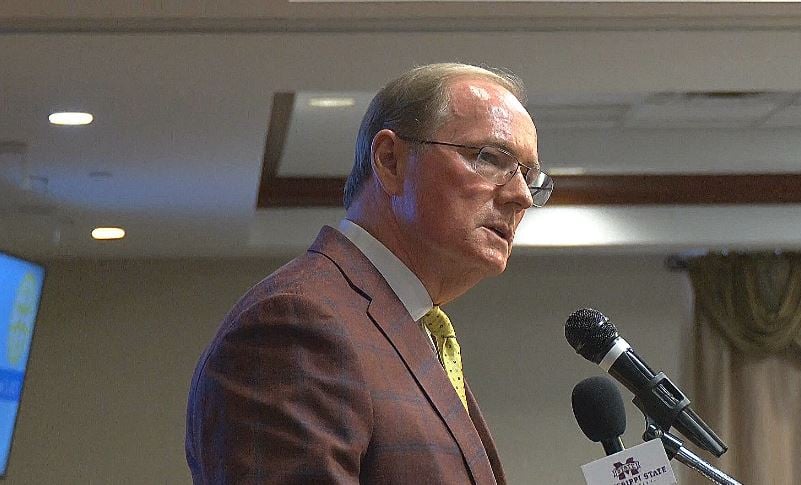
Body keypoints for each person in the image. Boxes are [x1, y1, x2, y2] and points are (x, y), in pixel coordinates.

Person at [185, 62, 553, 484]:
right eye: (490, 158)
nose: (521, 197)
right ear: (390, 161)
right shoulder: (296, 324)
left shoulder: (410, 328)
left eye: (531, 177)